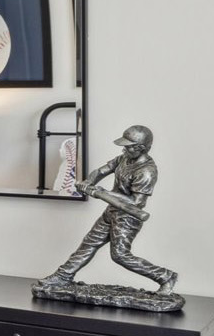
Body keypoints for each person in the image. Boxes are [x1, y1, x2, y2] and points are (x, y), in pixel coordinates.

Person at [39, 125, 177, 293]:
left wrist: (101, 192)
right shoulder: (124, 158)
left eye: (129, 146)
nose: (125, 148)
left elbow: (136, 202)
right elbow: (101, 171)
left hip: (128, 217)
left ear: (141, 148)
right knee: (89, 244)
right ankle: (62, 276)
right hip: (111, 211)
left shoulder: (147, 171)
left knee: (120, 255)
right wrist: (89, 182)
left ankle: (165, 276)